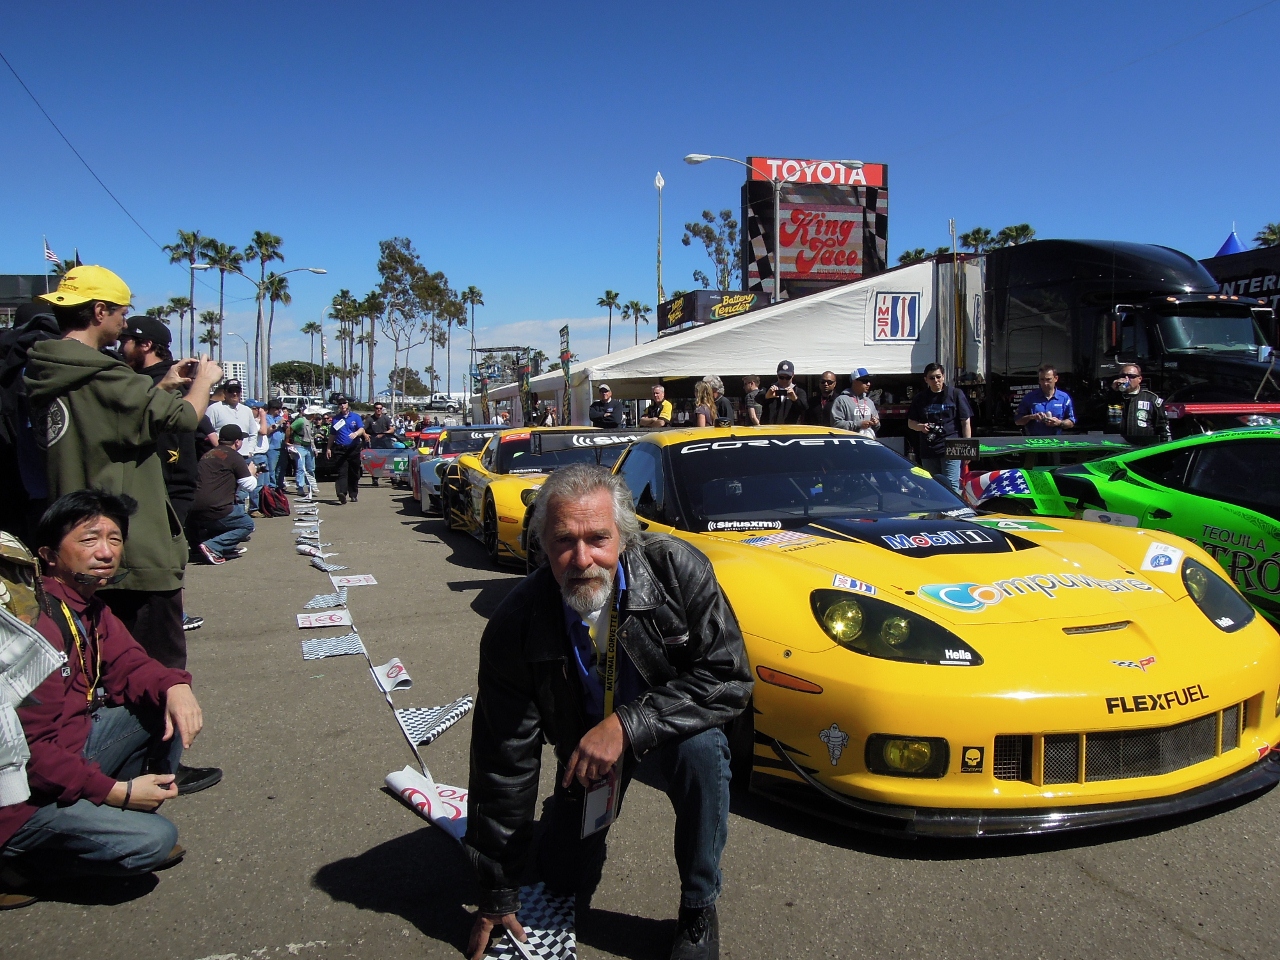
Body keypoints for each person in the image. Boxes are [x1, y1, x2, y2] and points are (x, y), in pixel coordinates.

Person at [464, 464, 751, 960]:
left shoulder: (678, 570)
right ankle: (570, 816)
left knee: (703, 752)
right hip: (584, 751)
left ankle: (698, 907)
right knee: (559, 875)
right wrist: (497, 891)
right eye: (563, 541)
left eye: (598, 538)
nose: (582, 559)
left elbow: (729, 678)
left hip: (667, 730)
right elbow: (502, 759)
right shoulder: (514, 625)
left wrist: (626, 724)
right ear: (541, 545)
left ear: (624, 537)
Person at [24, 266, 223, 796]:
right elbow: (181, 420)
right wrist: (204, 382)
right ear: (98, 312)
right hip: (129, 543)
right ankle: (158, 771)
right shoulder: (100, 373)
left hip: (74, 539)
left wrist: (158, 384)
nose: (124, 322)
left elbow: (113, 420)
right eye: (121, 313)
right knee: (158, 663)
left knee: (95, 663)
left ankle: (98, 768)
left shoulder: (50, 368)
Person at [0, 490, 206, 908]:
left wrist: (176, 686)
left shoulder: (89, 607)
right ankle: (18, 864)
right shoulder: (34, 623)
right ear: (48, 555)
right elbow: (30, 754)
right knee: (152, 843)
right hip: (21, 797)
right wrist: (117, 793)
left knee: (162, 702)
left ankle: (101, 822)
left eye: (114, 539)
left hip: (72, 748)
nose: (106, 551)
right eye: (89, 539)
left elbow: (131, 664)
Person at [117, 315, 205, 632]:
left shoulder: (164, 387)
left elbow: (184, 447)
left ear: (145, 345)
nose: (119, 347)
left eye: (124, 341)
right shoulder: (134, 381)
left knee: (154, 594)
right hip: (136, 496)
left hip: (162, 496)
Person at [189, 425, 258, 565]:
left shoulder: (208, 454)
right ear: (237, 442)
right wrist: (251, 472)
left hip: (194, 507)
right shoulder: (234, 456)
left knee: (222, 520)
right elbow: (249, 486)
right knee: (247, 525)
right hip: (217, 506)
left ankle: (214, 546)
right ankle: (213, 546)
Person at [907, 363, 972, 494]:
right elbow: (910, 423)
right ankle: (937, 514)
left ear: (943, 377)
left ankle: (954, 514)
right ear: (926, 379)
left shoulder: (955, 394)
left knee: (951, 484)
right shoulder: (920, 398)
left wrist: (967, 449)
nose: (936, 381)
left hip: (952, 446)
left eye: (938, 377)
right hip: (929, 448)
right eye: (932, 378)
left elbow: (966, 422)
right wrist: (920, 427)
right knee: (932, 486)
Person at [203, 381, 262, 512]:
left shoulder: (246, 410)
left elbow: (253, 433)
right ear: (224, 393)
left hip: (244, 456)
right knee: (228, 490)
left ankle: (239, 517)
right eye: (231, 391)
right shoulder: (214, 409)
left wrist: (251, 450)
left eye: (237, 391)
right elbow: (207, 431)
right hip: (223, 457)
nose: (234, 394)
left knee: (243, 492)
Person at [1110, 363, 1171, 446]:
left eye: (1131, 376)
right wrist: (1111, 391)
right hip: (1116, 446)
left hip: (1143, 447)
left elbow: (1163, 426)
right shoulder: (1112, 398)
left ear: (1139, 379)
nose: (1126, 379)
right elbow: (1095, 415)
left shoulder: (1151, 399)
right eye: (1123, 376)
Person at [326, 395, 366, 504]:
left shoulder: (355, 417)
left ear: (347, 404)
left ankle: (353, 494)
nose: (342, 405)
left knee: (354, 472)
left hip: (353, 448)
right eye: (340, 404)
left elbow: (361, 428)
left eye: (344, 403)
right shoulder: (336, 419)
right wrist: (328, 448)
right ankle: (341, 493)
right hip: (340, 449)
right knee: (341, 472)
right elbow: (332, 435)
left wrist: (356, 433)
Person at [1015, 364, 1076, 436]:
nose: (1045, 383)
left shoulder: (1064, 398)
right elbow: (1018, 421)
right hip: (1034, 441)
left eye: (1048, 379)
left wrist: (1059, 423)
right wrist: (1032, 417)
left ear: (1056, 378)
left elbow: (1071, 422)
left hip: (1056, 441)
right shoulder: (1030, 397)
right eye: (1042, 379)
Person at [831, 368, 879, 437]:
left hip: (867, 442)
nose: (868, 384)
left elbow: (877, 426)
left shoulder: (869, 402)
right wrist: (858, 424)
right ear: (854, 381)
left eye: (869, 381)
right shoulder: (842, 400)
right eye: (865, 381)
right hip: (849, 442)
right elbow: (836, 424)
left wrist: (876, 423)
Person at [759, 360, 808, 424]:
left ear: (793, 375)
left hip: (790, 430)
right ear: (777, 375)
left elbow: (805, 407)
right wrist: (767, 396)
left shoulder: (799, 391)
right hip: (770, 429)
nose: (784, 380)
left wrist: (795, 399)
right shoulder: (769, 388)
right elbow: (757, 398)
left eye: (788, 377)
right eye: (781, 377)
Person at [288, 404, 319, 500]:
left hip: (309, 446)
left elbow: (311, 437)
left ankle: (311, 485)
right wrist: (288, 441)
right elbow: (290, 428)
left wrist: (314, 448)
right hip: (299, 446)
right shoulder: (301, 420)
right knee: (301, 468)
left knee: (310, 468)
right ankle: (300, 487)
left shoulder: (312, 423)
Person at [263, 398, 289, 491]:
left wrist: (286, 427)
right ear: (272, 409)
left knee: (281, 469)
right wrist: (278, 424)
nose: (279, 411)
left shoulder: (280, 418)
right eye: (277, 408)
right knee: (271, 469)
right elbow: (267, 431)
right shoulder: (266, 418)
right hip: (271, 448)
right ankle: (271, 487)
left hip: (282, 447)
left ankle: (279, 485)